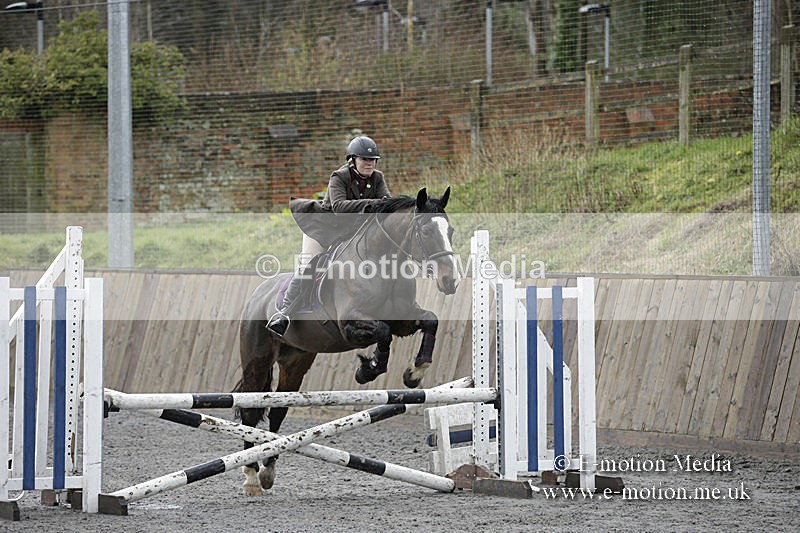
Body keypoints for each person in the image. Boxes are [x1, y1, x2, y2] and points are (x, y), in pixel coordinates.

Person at [267, 135, 392, 336]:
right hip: (323, 229)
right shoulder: (339, 177)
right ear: (352, 161)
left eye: (372, 160)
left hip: (350, 232)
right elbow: (339, 206)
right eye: (364, 159)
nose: (369, 163)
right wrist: (373, 203)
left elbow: (387, 203)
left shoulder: (378, 177)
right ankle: (284, 314)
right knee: (308, 264)